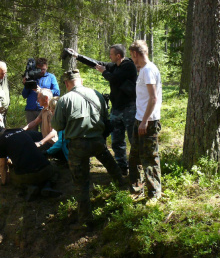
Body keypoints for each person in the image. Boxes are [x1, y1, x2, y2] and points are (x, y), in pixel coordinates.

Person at [51, 69, 125, 229]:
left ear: (66, 83)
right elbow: (106, 117)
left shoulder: (64, 100)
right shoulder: (96, 94)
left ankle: (86, 220)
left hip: (77, 145)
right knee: (111, 165)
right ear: (81, 80)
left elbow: (57, 125)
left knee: (81, 183)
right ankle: (124, 190)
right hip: (98, 140)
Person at [67, 45, 137, 175]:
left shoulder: (128, 66)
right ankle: (122, 166)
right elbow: (96, 63)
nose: (109, 57)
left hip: (129, 108)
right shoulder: (115, 66)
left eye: (111, 54)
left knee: (134, 139)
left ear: (118, 55)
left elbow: (115, 79)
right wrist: (77, 56)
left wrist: (104, 72)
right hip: (116, 109)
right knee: (117, 140)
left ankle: (136, 167)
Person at [128, 40, 163, 201]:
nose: (132, 59)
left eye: (131, 55)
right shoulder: (143, 70)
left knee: (149, 158)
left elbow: (153, 98)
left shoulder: (148, 70)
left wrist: (144, 121)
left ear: (135, 54)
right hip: (139, 119)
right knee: (134, 155)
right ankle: (137, 187)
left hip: (147, 122)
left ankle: (154, 193)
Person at [0, 125, 62, 201]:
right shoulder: (21, 130)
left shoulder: (1, 141)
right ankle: (48, 185)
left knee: (12, 175)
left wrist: (4, 182)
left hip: (28, 176)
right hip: (45, 169)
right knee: (54, 168)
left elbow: (2, 165)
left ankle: (29, 187)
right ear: (4, 129)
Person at [22, 58, 60, 131]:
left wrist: (42, 91)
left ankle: (43, 143)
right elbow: (24, 95)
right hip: (31, 110)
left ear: (47, 67)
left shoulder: (51, 77)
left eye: (44, 69)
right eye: (39, 69)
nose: (42, 71)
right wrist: (26, 85)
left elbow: (57, 92)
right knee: (31, 134)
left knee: (46, 132)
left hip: (45, 109)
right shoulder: (31, 77)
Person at [44, 97, 69, 162]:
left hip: (73, 157)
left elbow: (61, 142)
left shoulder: (63, 123)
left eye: (52, 111)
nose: (52, 113)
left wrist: (47, 152)